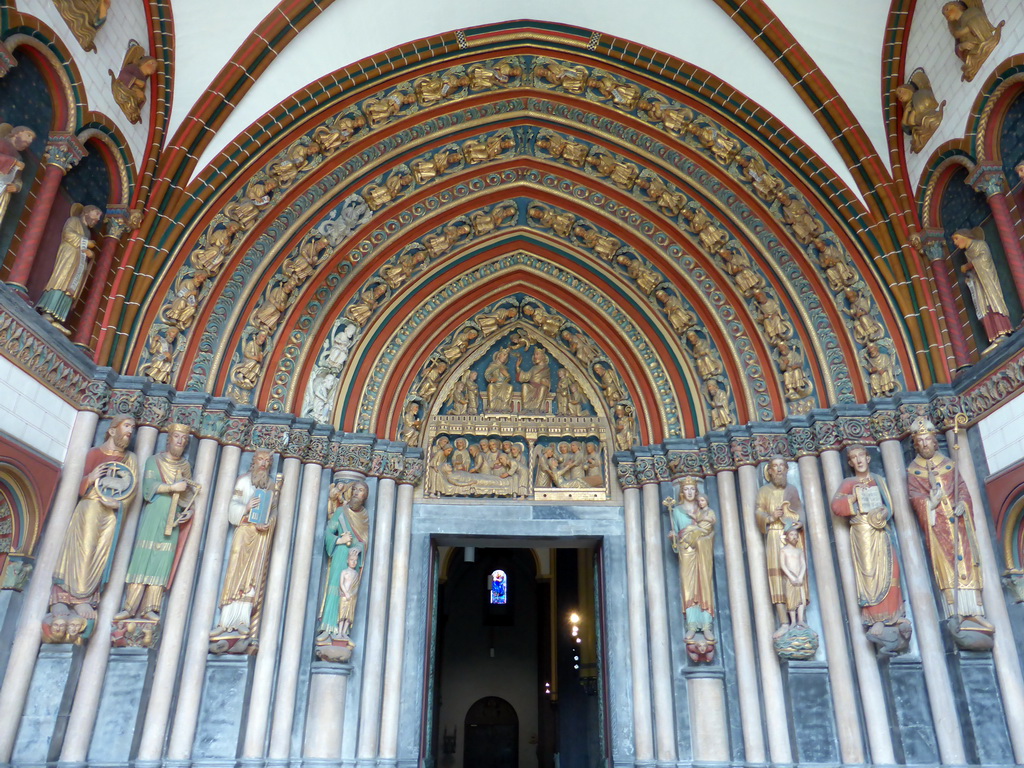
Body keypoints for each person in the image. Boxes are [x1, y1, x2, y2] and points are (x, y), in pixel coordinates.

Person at [50, 416, 139, 623]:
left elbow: (132, 490)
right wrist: (90, 478)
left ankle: (86, 598)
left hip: (110, 513)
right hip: (89, 506)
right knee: (83, 549)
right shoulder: (94, 454)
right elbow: (74, 486)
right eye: (126, 427)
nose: (130, 432)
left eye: (132, 428)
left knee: (101, 554)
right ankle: (65, 597)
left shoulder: (130, 459)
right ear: (112, 430)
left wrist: (118, 505)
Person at [906, 419, 992, 630]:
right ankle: (956, 612)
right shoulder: (913, 471)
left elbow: (961, 488)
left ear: (935, 442)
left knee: (969, 560)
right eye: (921, 441)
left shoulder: (948, 465)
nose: (925, 444)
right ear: (916, 445)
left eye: (928, 440)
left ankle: (976, 611)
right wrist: (930, 503)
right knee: (946, 564)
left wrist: (962, 503)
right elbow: (915, 497)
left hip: (958, 523)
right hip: (938, 526)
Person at [115, 424, 198, 621]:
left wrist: (189, 510)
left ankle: (151, 607)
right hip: (155, 512)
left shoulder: (185, 466)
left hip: (173, 518)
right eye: (176, 436)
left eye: (183, 438)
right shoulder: (155, 460)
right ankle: (130, 606)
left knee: (163, 561)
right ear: (169, 438)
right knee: (142, 557)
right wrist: (171, 487)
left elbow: (187, 494)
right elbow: (148, 487)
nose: (180, 441)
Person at [830, 445, 906, 630]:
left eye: (861, 456)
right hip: (863, 531)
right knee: (869, 574)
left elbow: (889, 505)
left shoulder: (878, 480)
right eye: (854, 458)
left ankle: (894, 614)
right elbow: (836, 506)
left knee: (892, 569)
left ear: (868, 458)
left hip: (881, 530)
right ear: (850, 462)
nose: (859, 460)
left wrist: (885, 511)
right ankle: (875, 618)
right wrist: (853, 498)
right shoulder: (849, 482)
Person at [211, 450, 280, 639]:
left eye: (267, 460)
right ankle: (226, 620)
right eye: (260, 459)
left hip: (259, 536)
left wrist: (268, 523)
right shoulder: (243, 481)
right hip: (243, 531)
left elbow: (273, 512)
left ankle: (243, 620)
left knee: (253, 575)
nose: (264, 463)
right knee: (235, 572)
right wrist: (246, 508)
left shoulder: (271, 486)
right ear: (254, 462)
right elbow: (232, 505)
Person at [755, 456, 805, 635]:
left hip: (792, 534)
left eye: (781, 466)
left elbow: (799, 510)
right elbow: (759, 511)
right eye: (774, 466)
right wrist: (770, 517)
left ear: (786, 469)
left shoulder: (792, 489)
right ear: (769, 471)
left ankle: (800, 619)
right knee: (777, 576)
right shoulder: (764, 491)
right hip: (775, 535)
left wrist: (800, 522)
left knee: (796, 573)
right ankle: (784, 621)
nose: (778, 470)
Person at [665, 478, 716, 641]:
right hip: (686, 550)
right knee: (689, 586)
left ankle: (707, 624)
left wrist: (701, 535)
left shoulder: (704, 510)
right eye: (686, 489)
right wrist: (674, 537)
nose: (689, 492)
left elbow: (710, 531)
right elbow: (678, 534)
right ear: (682, 492)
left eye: (692, 489)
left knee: (705, 585)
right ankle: (692, 624)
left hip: (703, 549)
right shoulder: (676, 510)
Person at [36, 205, 103, 328]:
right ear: (86, 212)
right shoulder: (74, 221)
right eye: (96, 214)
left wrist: (90, 254)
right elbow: (67, 234)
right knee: (62, 280)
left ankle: (58, 316)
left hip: (78, 261)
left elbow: (86, 249)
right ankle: (48, 310)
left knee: (70, 287)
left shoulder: (87, 232)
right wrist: (86, 243)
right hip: (69, 255)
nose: (98, 219)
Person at [318, 480, 369, 640]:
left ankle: (343, 630)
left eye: (360, 490)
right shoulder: (341, 512)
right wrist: (339, 541)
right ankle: (328, 627)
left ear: (365, 496)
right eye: (354, 489)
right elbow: (328, 532)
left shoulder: (364, 516)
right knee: (335, 587)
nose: (355, 492)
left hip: (352, 559)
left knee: (348, 593)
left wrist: (359, 547)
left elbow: (364, 541)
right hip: (340, 553)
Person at [952, 228, 1012, 344]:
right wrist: (970, 278)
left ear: (965, 236)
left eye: (956, 238)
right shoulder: (967, 253)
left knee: (992, 302)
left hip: (988, 282)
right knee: (982, 307)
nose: (955, 243)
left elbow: (985, 259)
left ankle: (1003, 329)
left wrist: (969, 265)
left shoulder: (980, 244)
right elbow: (974, 271)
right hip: (979, 284)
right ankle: (993, 335)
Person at [780, 525, 809, 629]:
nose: (794, 537)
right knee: (791, 600)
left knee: (801, 599)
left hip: (799, 578)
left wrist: (800, 576)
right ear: (787, 537)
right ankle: (792, 621)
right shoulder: (783, 550)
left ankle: (800, 620)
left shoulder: (799, 551)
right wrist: (791, 577)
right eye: (791, 535)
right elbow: (783, 565)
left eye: (796, 535)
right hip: (789, 578)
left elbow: (803, 564)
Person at [516, 347, 551, 413]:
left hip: (540, 387)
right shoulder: (534, 368)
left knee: (543, 388)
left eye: (537, 354)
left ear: (543, 356)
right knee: (524, 386)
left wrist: (545, 382)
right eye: (534, 355)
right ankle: (525, 408)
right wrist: (518, 367)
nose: (535, 356)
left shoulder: (546, 368)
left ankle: (537, 408)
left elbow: (548, 382)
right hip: (532, 387)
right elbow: (526, 376)